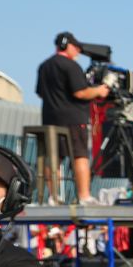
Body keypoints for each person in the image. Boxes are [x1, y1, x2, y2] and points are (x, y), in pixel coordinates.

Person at [35, 32, 109, 205]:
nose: (77, 51)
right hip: (74, 119)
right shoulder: (71, 66)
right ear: (68, 46)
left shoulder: (44, 66)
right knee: (80, 156)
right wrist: (99, 91)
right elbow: (80, 92)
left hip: (51, 119)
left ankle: (53, 196)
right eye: (76, 47)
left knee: (54, 158)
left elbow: (40, 92)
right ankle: (84, 196)